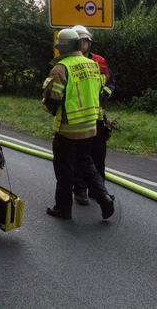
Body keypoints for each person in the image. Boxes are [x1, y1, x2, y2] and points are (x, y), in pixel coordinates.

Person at [42, 28, 114, 220]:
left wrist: (48, 107)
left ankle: (63, 208)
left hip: (68, 127)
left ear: (62, 47)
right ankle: (104, 197)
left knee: (64, 169)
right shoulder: (92, 64)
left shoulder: (61, 68)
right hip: (90, 125)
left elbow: (54, 96)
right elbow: (99, 89)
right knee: (87, 164)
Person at [72, 25, 116, 206]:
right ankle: (80, 190)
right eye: (82, 40)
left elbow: (110, 82)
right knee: (81, 156)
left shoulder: (100, 61)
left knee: (98, 155)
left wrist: (104, 93)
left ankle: (99, 191)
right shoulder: (69, 62)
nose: (85, 44)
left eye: (87, 40)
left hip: (97, 117)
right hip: (78, 118)